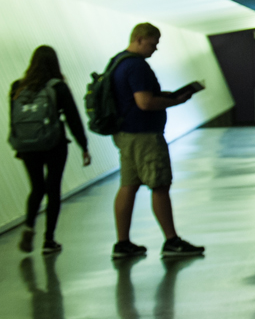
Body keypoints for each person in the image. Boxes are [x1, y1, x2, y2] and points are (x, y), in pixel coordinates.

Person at [110, 23, 204, 258]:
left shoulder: (117, 62)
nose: (156, 49)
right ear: (140, 39)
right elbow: (144, 102)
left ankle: (122, 243)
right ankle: (171, 241)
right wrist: (176, 101)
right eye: (153, 43)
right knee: (160, 185)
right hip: (145, 136)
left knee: (128, 186)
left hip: (125, 135)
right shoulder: (137, 66)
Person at [9, 45, 91, 254]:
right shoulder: (57, 87)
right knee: (52, 189)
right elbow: (73, 119)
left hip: (27, 147)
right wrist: (84, 146)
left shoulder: (17, 86)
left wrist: (19, 144)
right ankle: (49, 241)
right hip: (53, 144)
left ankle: (29, 226)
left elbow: (14, 120)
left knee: (36, 188)